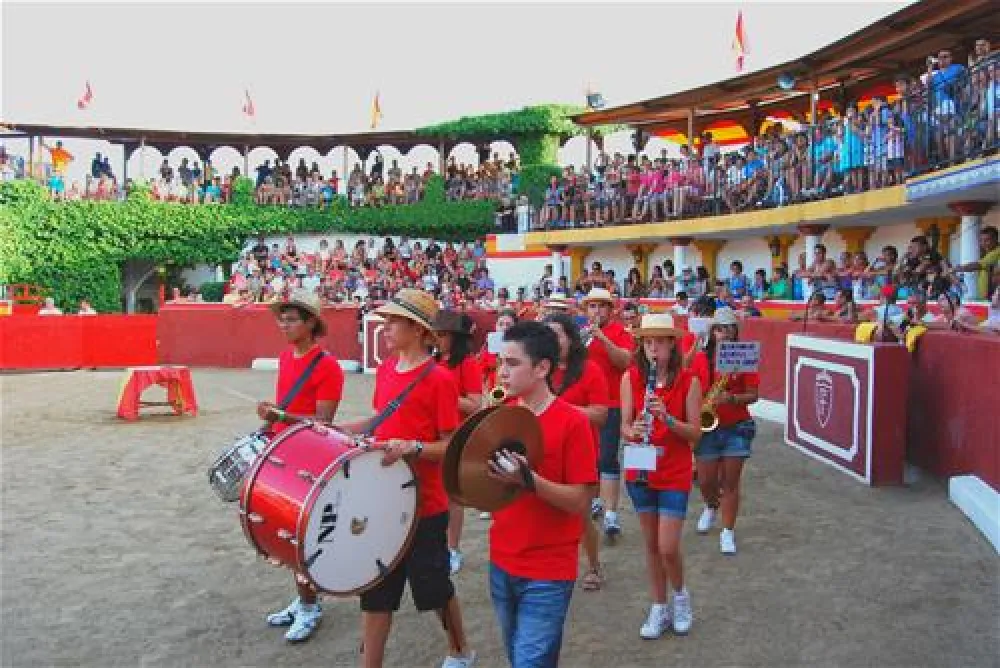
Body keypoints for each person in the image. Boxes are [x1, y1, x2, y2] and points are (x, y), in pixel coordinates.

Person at [336, 288, 476, 668]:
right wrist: (339, 430)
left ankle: (460, 649)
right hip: (381, 500)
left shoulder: (440, 380)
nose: (385, 328)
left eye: (393, 321)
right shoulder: (384, 370)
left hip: (424, 504)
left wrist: (413, 447)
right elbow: (378, 423)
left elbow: (451, 446)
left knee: (435, 588)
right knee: (376, 590)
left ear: (416, 329)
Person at [487, 321, 597, 666]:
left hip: (549, 569)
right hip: (501, 560)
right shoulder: (503, 416)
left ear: (542, 368)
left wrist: (529, 481)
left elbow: (581, 501)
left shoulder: (572, 423)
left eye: (513, 363)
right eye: (501, 362)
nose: (502, 372)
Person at [255, 290, 344, 642]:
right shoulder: (286, 357)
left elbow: (324, 423)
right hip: (283, 450)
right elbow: (287, 408)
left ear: (311, 324)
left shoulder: (328, 366)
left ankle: (309, 607)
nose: (284, 324)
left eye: (292, 319)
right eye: (282, 318)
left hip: (309, 458)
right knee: (284, 533)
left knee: (297, 535)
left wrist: (280, 415)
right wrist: (269, 426)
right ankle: (304, 599)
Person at [620, 312, 702, 639]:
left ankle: (680, 596)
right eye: (647, 342)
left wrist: (666, 419)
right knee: (652, 545)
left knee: (668, 546)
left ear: (672, 343)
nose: (653, 349)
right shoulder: (631, 378)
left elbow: (695, 434)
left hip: (674, 471)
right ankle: (658, 607)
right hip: (640, 468)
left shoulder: (690, 381)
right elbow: (625, 426)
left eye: (659, 342)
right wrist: (633, 430)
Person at [544, 313, 610, 592]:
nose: (550, 340)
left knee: (580, 514)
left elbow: (600, 415)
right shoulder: (539, 369)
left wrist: (562, 410)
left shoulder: (590, 369)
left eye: (556, 334)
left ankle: (594, 565)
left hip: (580, 453)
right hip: (546, 451)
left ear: (571, 339)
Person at [689, 307, 759, 555]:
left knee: (730, 483)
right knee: (706, 481)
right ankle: (710, 505)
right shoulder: (700, 358)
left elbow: (754, 395)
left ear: (734, 331)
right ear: (713, 332)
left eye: (728, 329)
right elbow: (691, 388)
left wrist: (731, 398)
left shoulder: (744, 356)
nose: (724, 334)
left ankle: (727, 531)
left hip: (737, 426)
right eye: (719, 329)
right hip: (708, 426)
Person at [433, 310, 484, 575]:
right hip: (432, 432)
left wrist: (441, 396)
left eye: (442, 335)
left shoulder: (467, 364)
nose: (437, 339)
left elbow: (476, 404)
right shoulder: (433, 361)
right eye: (436, 334)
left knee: (452, 496)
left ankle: (452, 548)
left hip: (455, 433)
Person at [582, 288, 635, 540]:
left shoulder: (620, 333)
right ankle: (595, 500)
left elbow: (625, 361)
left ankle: (612, 513)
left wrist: (602, 338)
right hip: (586, 405)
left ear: (610, 310)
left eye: (601, 306)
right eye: (592, 306)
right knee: (588, 457)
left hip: (612, 402)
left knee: (607, 458)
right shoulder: (581, 334)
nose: (596, 311)